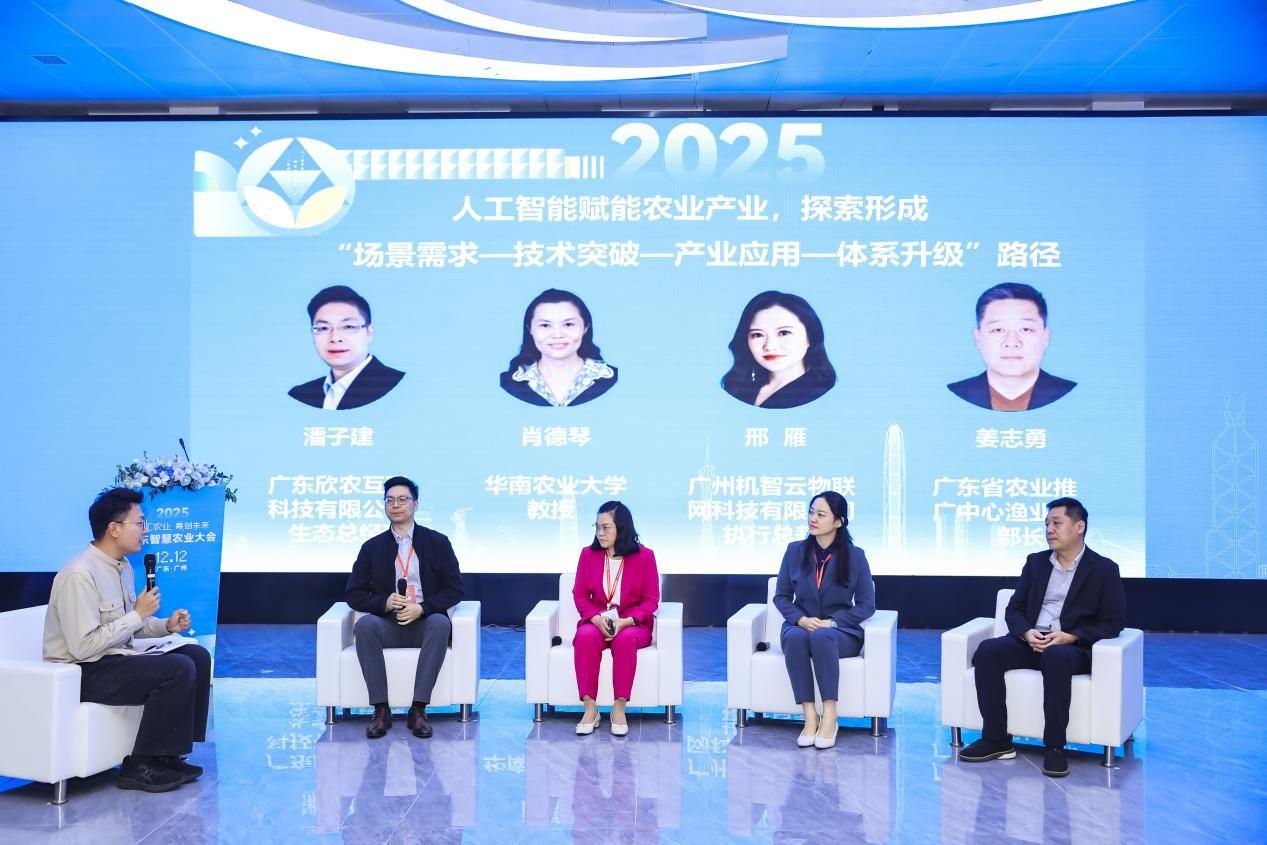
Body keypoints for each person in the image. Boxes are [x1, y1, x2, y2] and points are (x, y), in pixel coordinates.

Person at [43, 488, 210, 792]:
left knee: (197, 656)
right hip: (82, 670)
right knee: (178, 668)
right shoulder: (79, 574)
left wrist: (166, 626)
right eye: (140, 523)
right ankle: (141, 765)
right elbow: (84, 646)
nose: (146, 531)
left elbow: (128, 628)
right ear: (114, 529)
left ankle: (168, 755)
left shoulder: (122, 568)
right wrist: (137, 614)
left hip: (113, 658)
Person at [959, 497, 1125, 777]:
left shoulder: (1104, 569)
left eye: (1057, 523)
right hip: (1032, 641)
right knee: (988, 651)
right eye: (1047, 523)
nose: (1049, 529)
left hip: (1071, 647)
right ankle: (996, 739)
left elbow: (1113, 622)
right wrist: (1027, 632)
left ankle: (1055, 747)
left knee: (1056, 657)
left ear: (1079, 527)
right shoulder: (1036, 563)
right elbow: (1015, 609)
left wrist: (1071, 636)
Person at [344, 476, 464, 739]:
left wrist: (423, 608)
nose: (395, 505)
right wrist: (383, 603)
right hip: (388, 622)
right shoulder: (372, 547)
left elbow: (455, 589)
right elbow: (353, 593)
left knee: (440, 623)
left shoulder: (438, 542)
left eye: (402, 499)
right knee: (365, 625)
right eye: (389, 500)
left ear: (415, 504)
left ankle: (418, 710)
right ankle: (381, 710)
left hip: (424, 621)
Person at [773, 491, 875, 749]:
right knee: (795, 638)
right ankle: (810, 716)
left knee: (821, 635)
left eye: (820, 514)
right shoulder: (794, 551)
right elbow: (781, 597)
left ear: (839, 521)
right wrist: (800, 619)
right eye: (811, 512)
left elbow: (867, 605)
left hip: (840, 632)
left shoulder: (855, 556)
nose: (813, 519)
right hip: (801, 625)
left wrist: (833, 622)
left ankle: (830, 714)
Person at [571, 501, 659, 736]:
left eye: (606, 528)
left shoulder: (645, 557)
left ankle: (619, 709)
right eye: (597, 527)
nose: (600, 533)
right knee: (585, 637)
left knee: (625, 640)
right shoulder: (588, 555)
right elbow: (579, 594)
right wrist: (594, 617)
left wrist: (626, 621)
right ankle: (590, 709)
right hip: (598, 619)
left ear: (622, 528)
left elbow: (651, 600)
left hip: (631, 623)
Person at [947, 283, 1076, 411]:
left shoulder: (1072, 395)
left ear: (1045, 338)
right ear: (978, 338)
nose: (1012, 342)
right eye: (998, 330)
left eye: (1025, 329)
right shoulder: (952, 395)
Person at [289, 285, 406, 410]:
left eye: (348, 327)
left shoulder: (397, 386)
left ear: (369, 333)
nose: (335, 338)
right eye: (323, 328)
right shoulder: (301, 395)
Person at [500, 288, 618, 407]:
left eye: (568, 324)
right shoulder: (508, 383)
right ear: (530, 329)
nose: (557, 335)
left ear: (585, 327)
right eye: (545, 325)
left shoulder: (613, 378)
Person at [722, 291, 836, 409]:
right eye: (757, 334)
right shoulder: (740, 388)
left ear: (810, 338)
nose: (769, 346)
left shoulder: (817, 395)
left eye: (784, 333)